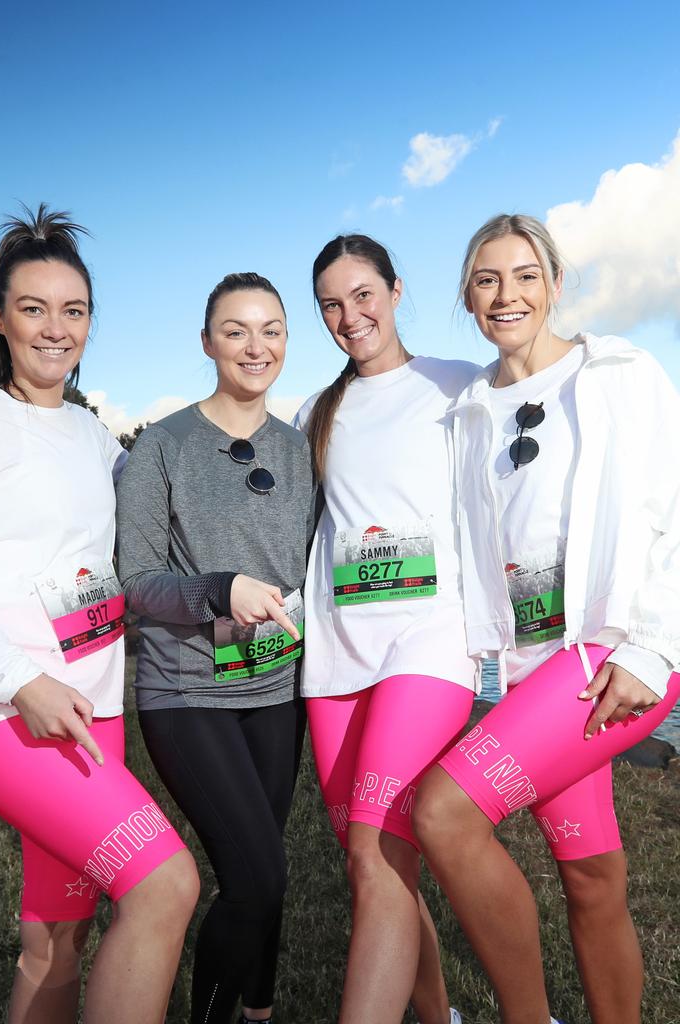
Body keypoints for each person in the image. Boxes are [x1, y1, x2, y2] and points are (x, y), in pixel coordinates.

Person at [0, 205, 199, 1024]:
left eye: (73, 311)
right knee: (164, 883)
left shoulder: (93, 436)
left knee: (56, 941)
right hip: (7, 714)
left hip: (94, 708)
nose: (54, 329)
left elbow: (143, 549)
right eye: (33, 309)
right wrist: (20, 681)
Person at [413, 213, 680, 1024]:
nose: (508, 294)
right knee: (592, 876)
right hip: (527, 665)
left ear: (555, 285)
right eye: (488, 279)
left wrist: (653, 649)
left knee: (443, 813)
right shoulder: (465, 413)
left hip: (609, 655)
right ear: (468, 296)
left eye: (526, 275)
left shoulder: (619, 374)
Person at [115, 272, 315, 1024]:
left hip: (275, 694)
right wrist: (217, 587)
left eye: (271, 330)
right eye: (236, 330)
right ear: (207, 343)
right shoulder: (162, 447)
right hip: (187, 694)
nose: (255, 346)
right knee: (256, 877)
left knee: (265, 873)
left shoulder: (299, 450)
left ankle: (256, 1011)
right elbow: (134, 581)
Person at [293, 234, 479, 1024]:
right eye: (332, 304)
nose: (350, 315)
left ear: (397, 291)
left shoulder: (458, 387)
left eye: (363, 294)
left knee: (376, 853)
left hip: (428, 644)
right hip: (336, 660)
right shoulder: (314, 412)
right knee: (377, 863)